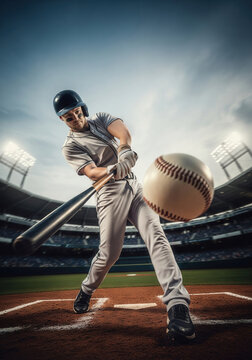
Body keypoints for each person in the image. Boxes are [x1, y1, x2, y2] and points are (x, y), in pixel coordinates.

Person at [53, 89, 195, 341]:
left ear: (82, 108)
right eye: (69, 117)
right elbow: (92, 173)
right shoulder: (70, 146)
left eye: (76, 112)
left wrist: (125, 150)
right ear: (62, 120)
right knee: (110, 253)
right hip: (108, 192)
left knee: (157, 236)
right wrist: (111, 168)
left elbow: (122, 132)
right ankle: (87, 288)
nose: (76, 118)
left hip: (136, 187)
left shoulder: (99, 118)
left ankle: (177, 304)